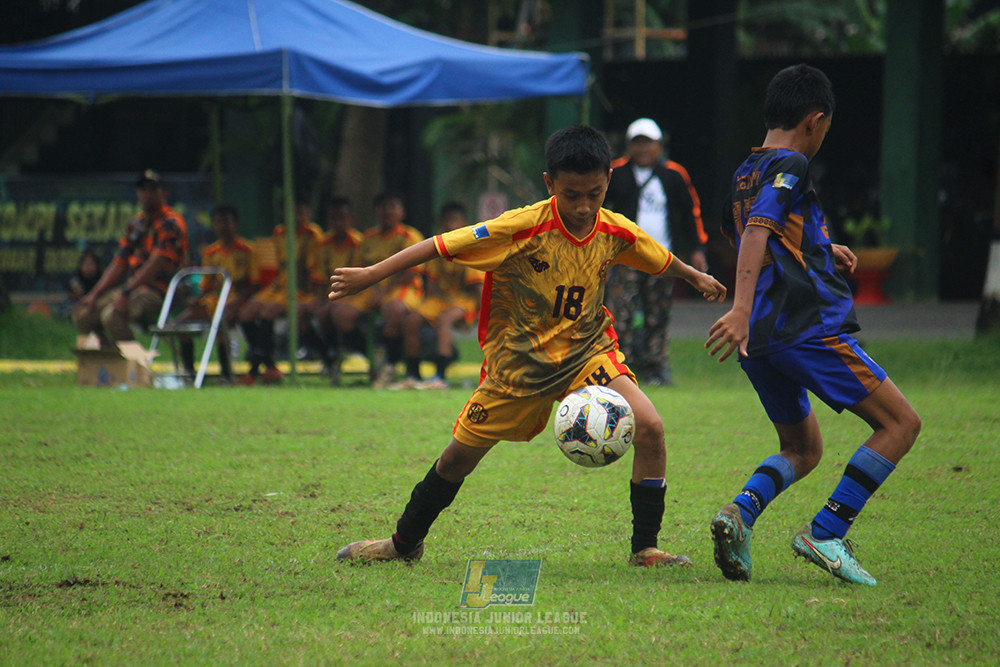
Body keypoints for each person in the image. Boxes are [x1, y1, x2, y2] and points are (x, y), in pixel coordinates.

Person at [331, 126, 726, 566]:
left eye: (593, 194)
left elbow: (657, 257)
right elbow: (439, 245)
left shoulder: (614, 230)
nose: (582, 206)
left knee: (650, 425)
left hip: (586, 353)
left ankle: (645, 547)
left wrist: (694, 276)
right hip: (519, 368)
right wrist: (370, 274)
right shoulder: (519, 227)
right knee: (456, 460)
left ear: (607, 183)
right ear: (548, 183)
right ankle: (401, 545)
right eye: (571, 194)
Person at [705, 64, 921, 586]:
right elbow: (758, 230)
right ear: (815, 120)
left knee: (803, 449)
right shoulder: (794, 162)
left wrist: (822, 249)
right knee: (900, 424)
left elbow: (767, 230)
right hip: (804, 329)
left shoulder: (745, 170)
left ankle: (739, 513)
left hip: (758, 341)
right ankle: (826, 531)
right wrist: (738, 304)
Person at [602, 118, 709, 386]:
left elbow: (690, 213)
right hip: (622, 258)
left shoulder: (674, 175)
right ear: (628, 146)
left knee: (657, 315)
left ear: (659, 145)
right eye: (637, 143)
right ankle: (619, 367)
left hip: (661, 259)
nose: (643, 149)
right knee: (619, 314)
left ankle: (656, 368)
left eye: (648, 143)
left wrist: (697, 248)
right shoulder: (615, 173)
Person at [73, 170, 188, 345]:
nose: (147, 195)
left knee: (112, 316)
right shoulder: (136, 224)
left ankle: (135, 368)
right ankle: (109, 364)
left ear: (164, 193)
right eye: (143, 190)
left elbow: (155, 263)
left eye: (152, 190)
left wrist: (125, 293)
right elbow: (119, 263)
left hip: (161, 291)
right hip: (134, 288)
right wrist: (94, 294)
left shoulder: (170, 223)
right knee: (83, 315)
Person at [329, 191, 424, 387]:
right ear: (376, 212)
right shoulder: (368, 238)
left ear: (402, 212)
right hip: (371, 290)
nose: (387, 211)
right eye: (382, 207)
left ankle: (390, 364)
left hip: (402, 288)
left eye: (392, 207)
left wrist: (384, 292)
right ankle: (373, 356)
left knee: (394, 310)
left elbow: (412, 272)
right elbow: (358, 268)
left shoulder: (409, 236)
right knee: (341, 314)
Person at [389, 201, 484, 390]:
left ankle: (440, 377)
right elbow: (431, 284)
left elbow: (478, 287)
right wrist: (425, 306)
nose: (450, 225)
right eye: (447, 220)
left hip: (464, 300)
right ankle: (413, 374)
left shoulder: (471, 247)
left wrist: (481, 313)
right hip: (441, 300)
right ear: (441, 223)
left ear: (463, 222)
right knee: (412, 320)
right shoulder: (438, 246)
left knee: (445, 319)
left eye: (455, 220)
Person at [236, 200, 324, 386]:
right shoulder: (279, 233)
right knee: (245, 313)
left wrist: (312, 298)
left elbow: (307, 269)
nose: (296, 216)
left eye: (301, 211)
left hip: (301, 289)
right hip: (280, 286)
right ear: (283, 213)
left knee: (269, 313)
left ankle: (253, 370)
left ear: (308, 213)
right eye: (291, 211)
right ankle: (270, 365)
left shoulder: (312, 235)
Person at [175, 204, 256, 382]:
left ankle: (226, 374)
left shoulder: (247, 250)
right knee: (181, 323)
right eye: (218, 222)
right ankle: (188, 372)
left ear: (236, 224)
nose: (223, 227)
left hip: (237, 301)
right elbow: (207, 286)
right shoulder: (211, 252)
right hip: (214, 301)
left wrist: (236, 302)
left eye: (227, 222)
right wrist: (196, 300)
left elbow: (253, 285)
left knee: (221, 321)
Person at [309, 196, 363, 381]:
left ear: (351, 218)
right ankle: (329, 355)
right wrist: (319, 299)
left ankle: (361, 350)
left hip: (355, 293)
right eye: (334, 217)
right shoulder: (322, 244)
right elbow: (319, 277)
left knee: (337, 312)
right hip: (330, 294)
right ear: (328, 220)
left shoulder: (359, 243)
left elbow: (361, 276)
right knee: (314, 312)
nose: (338, 221)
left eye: (343, 216)